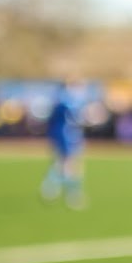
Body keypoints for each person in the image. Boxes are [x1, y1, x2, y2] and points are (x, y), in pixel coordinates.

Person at [40, 80, 86, 209]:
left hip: (69, 137)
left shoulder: (64, 103)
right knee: (69, 164)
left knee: (65, 164)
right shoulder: (66, 104)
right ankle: (70, 193)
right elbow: (70, 121)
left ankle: (52, 187)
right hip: (66, 137)